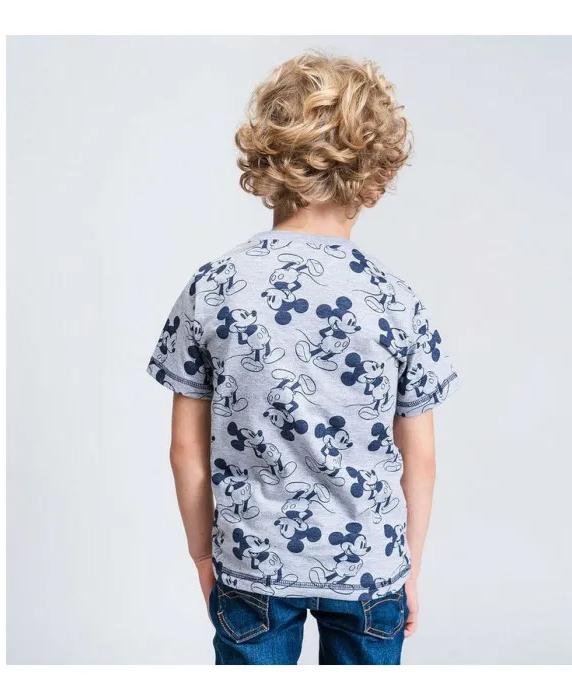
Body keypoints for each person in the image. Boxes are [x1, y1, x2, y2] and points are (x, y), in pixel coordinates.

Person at [146, 51, 458, 665]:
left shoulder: (215, 286)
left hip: (252, 562)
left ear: (265, 160)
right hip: (370, 566)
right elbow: (420, 459)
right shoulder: (396, 300)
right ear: (375, 178)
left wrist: (203, 554)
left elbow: (186, 449)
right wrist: (407, 567)